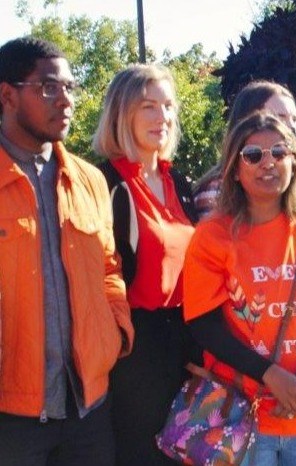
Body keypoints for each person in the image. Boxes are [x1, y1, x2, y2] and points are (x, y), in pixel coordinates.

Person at [183, 111, 296, 465]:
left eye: (279, 152)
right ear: (235, 167)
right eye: (253, 155)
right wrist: (270, 376)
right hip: (240, 416)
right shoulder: (212, 236)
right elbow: (203, 324)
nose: (269, 163)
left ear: (294, 162)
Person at [0, 36, 133, 465]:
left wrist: (114, 331)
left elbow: (109, 266)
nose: (66, 100)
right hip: (10, 414)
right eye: (48, 88)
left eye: (70, 88)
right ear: (7, 95)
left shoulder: (90, 180)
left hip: (87, 407)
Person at [92, 64, 199, 466]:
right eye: (148, 107)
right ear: (122, 113)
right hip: (136, 352)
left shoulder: (180, 183)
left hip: (186, 342)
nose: (163, 118)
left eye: (168, 106)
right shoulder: (105, 184)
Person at [194, 80, 296, 219]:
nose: (291, 126)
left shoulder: (291, 184)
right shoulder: (217, 191)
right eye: (280, 117)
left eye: (295, 119)